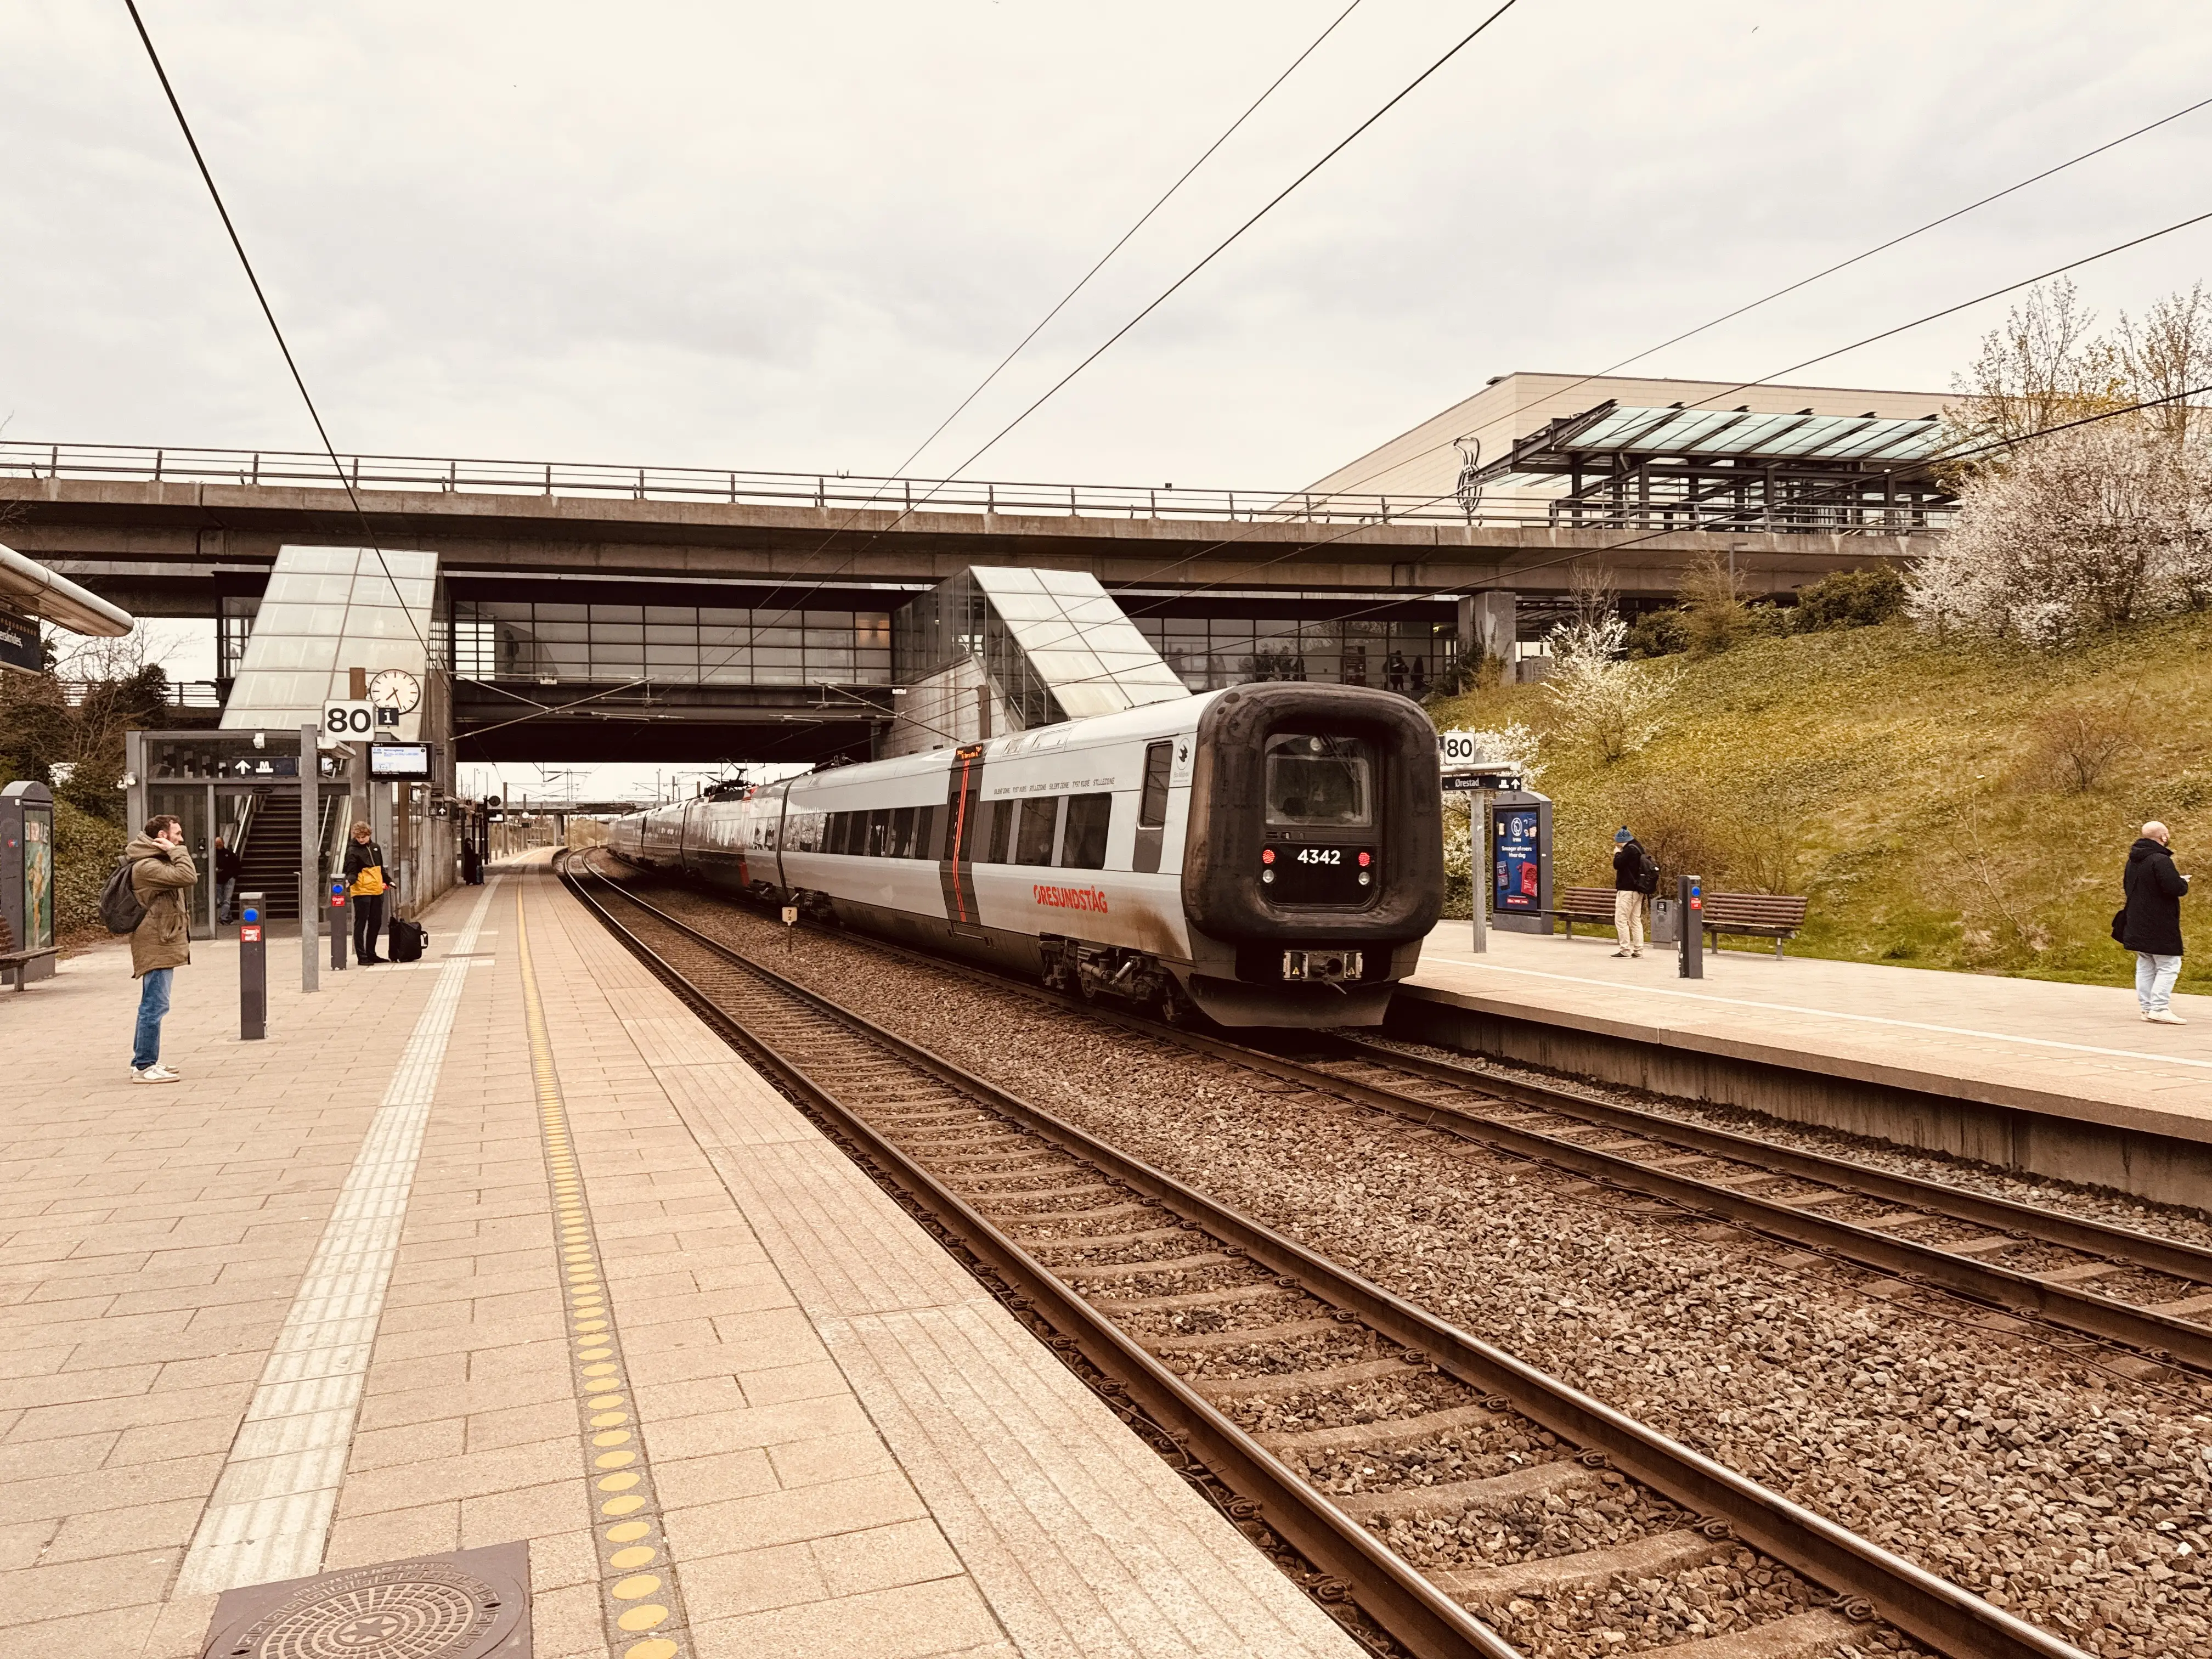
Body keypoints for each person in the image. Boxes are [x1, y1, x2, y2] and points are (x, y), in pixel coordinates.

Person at [126, 814, 198, 1083]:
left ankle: (142, 1061)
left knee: (152, 1003)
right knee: (155, 1005)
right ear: (162, 836)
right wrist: (177, 852)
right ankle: (145, 1065)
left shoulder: (154, 862)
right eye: (177, 834)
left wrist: (173, 852)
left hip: (161, 939)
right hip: (156, 942)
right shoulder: (146, 866)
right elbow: (188, 876)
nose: (181, 839)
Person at [2121, 820, 2190, 1024]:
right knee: (2169, 963)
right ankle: (2159, 1007)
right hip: (2158, 921)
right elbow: (2175, 888)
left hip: (2136, 918)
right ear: (2164, 837)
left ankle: (2147, 1008)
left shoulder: (2133, 860)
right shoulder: (2160, 860)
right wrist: (2183, 881)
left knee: (2146, 963)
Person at [344, 821, 390, 965]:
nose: (361, 839)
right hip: (362, 890)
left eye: (364, 836)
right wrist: (349, 882)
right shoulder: (352, 851)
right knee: (361, 923)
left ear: (369, 835)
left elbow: (380, 868)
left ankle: (372, 953)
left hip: (376, 889)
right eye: (359, 837)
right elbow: (351, 871)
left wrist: (388, 881)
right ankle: (362, 956)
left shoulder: (375, 848)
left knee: (376, 922)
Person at [1612, 825, 1656, 958]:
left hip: (1627, 890)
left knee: (1621, 919)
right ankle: (1639, 950)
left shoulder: (1629, 850)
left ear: (1621, 840)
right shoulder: (1638, 848)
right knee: (1635, 920)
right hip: (1638, 890)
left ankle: (1625, 950)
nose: (1617, 844)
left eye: (1618, 842)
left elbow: (1617, 865)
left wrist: (1617, 854)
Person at [213, 833, 241, 924]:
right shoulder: (213, 855)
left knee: (226, 900)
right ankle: (229, 917)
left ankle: (224, 918)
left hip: (229, 879)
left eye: (220, 844)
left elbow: (237, 864)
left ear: (223, 843)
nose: (219, 846)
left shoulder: (229, 854)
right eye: (217, 844)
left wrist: (234, 876)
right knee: (222, 900)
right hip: (218, 880)